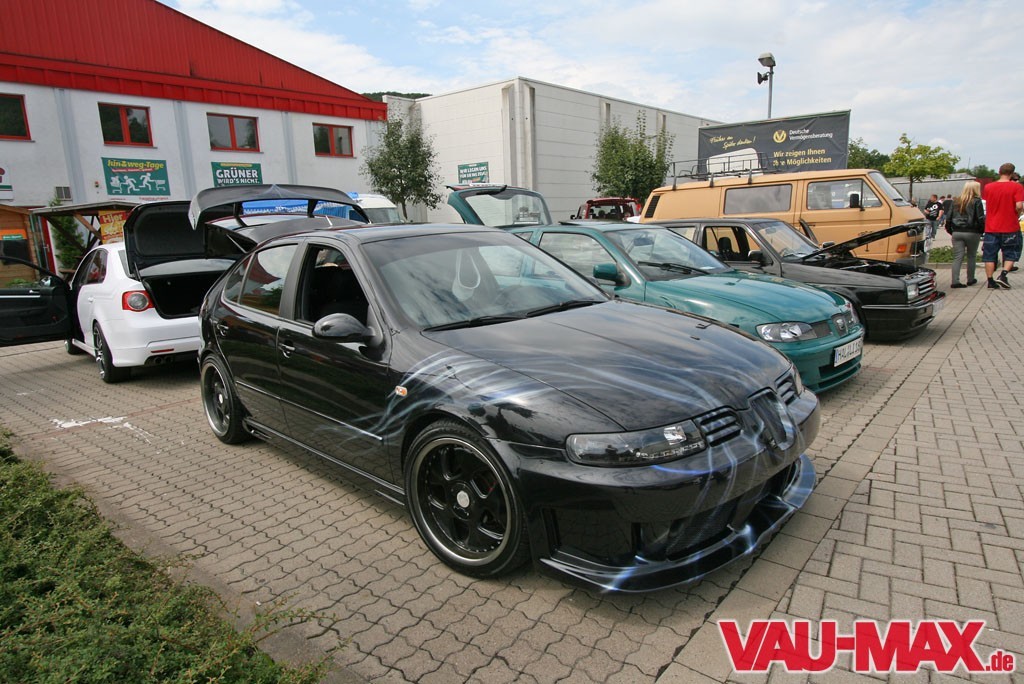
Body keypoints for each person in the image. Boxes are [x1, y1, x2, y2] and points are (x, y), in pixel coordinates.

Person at [982, 163, 1024, 289]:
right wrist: (1017, 213)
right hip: (1010, 226)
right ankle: (1003, 275)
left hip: (991, 226)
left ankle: (990, 280)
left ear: (999, 172)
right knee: (1011, 252)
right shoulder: (1017, 187)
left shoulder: (988, 187)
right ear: (1012, 173)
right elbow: (1019, 205)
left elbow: (986, 202)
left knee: (989, 255)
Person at [944, 181, 985, 288]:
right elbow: (980, 218)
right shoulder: (977, 201)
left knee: (957, 257)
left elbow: (948, 217)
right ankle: (970, 279)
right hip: (972, 232)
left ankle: (955, 281)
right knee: (971, 256)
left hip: (957, 232)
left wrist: (951, 231)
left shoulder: (956, 201)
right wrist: (981, 231)